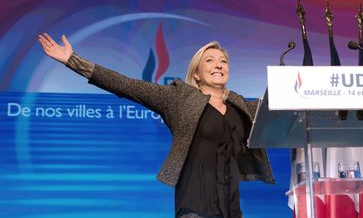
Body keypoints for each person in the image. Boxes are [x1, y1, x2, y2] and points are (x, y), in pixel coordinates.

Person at [38, 33, 275, 218]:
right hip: (195, 207)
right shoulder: (179, 98)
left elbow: (278, 109)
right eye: (210, 60)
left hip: (232, 209)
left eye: (223, 61)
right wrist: (73, 60)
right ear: (197, 73)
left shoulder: (240, 105)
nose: (219, 65)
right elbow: (126, 85)